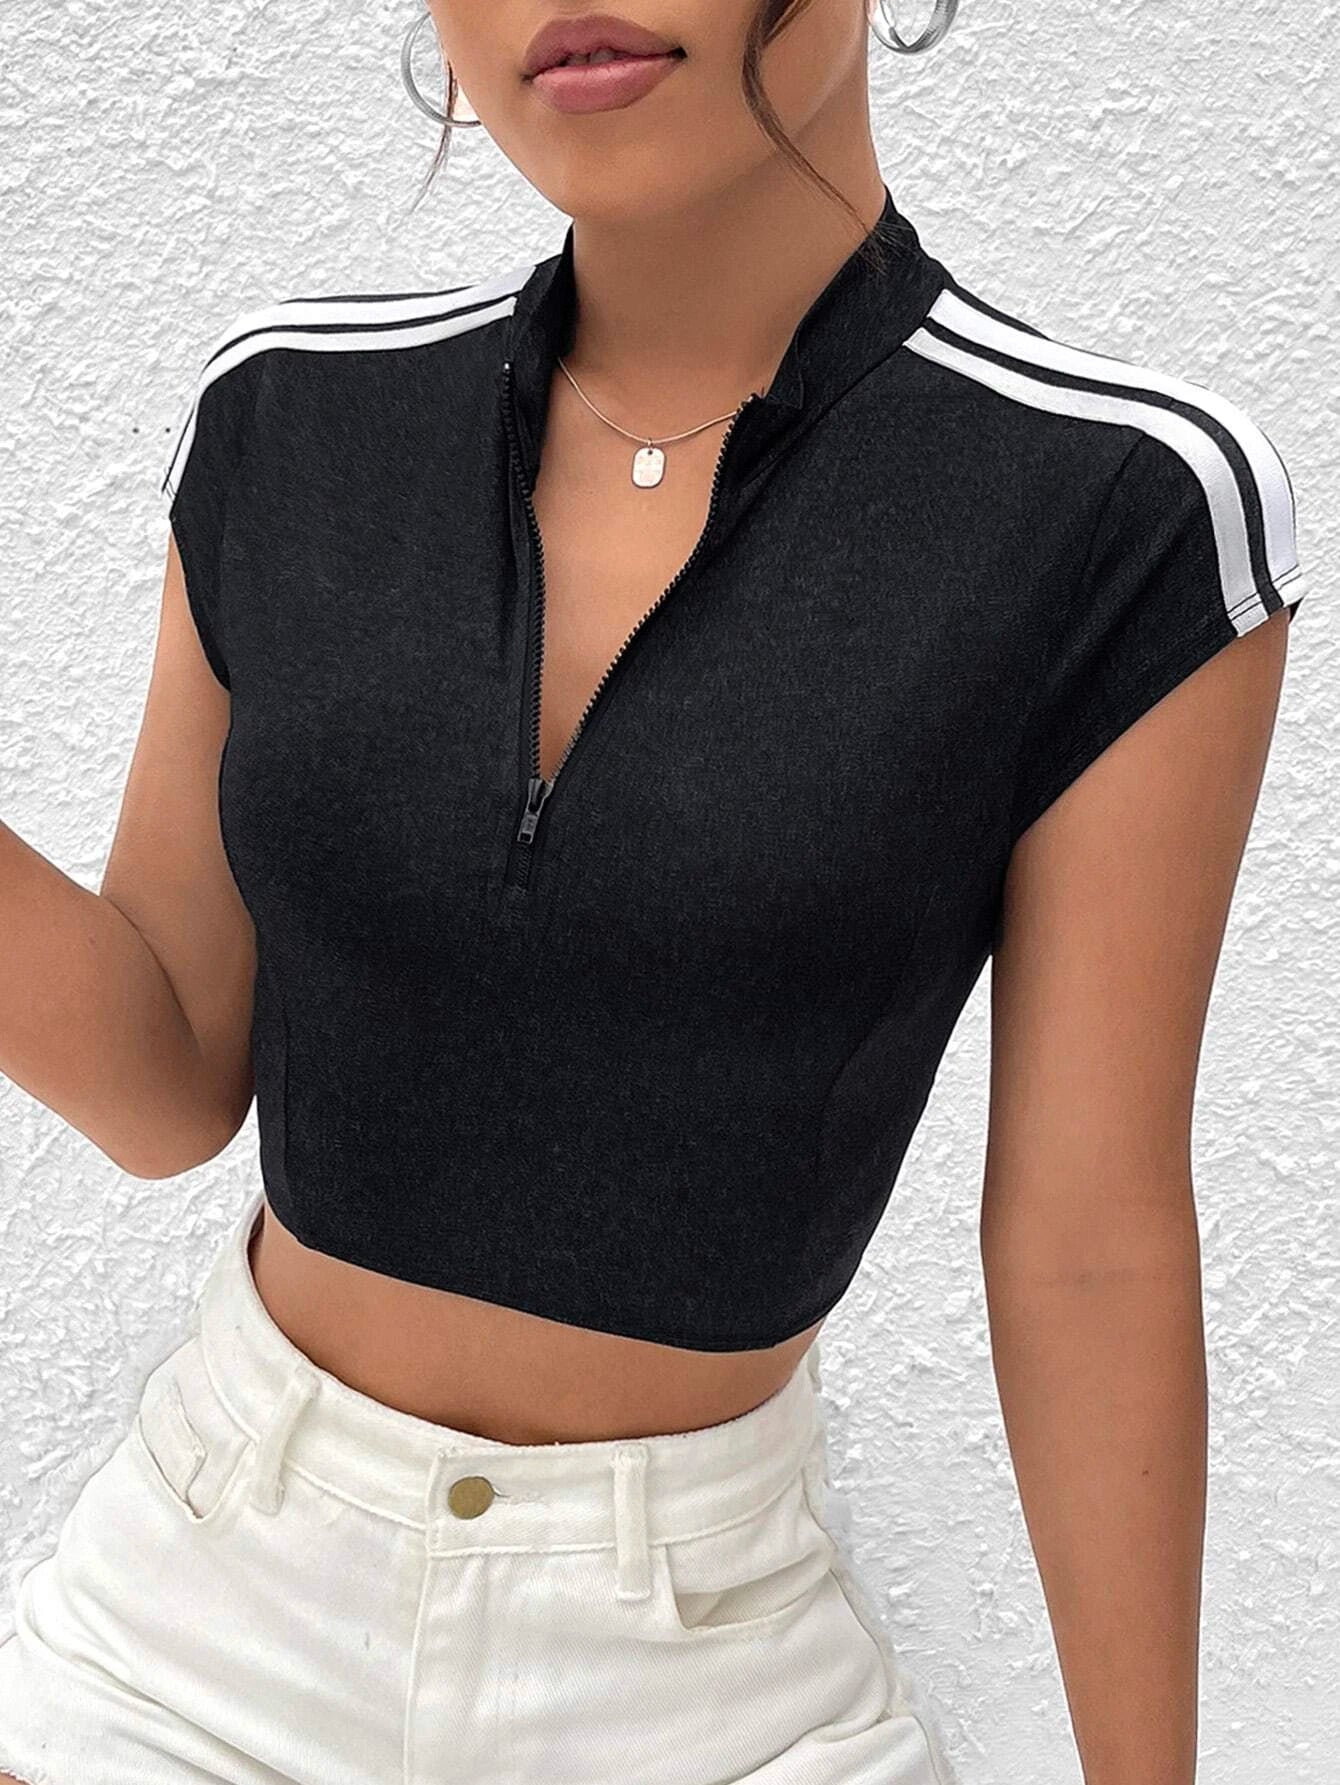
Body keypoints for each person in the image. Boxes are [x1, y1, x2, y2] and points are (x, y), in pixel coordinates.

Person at [0, 1, 1308, 1780]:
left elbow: (1087, 1242)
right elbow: (167, 1078)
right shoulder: (288, 412)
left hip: (708, 1675)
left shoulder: (1121, 504)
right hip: (198, 1616)